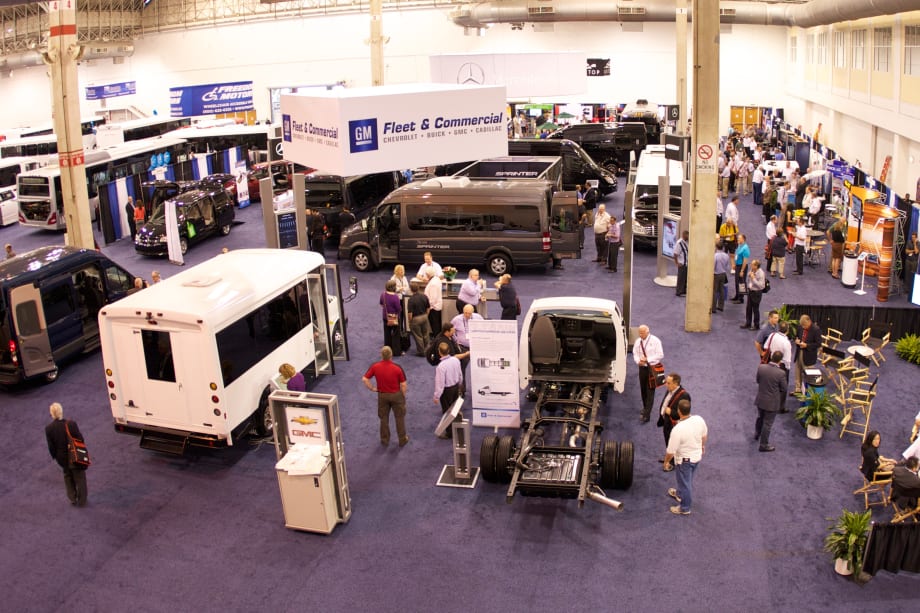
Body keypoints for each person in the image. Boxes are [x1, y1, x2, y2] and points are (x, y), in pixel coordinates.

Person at [664, 400, 707, 515]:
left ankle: (685, 508)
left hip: (685, 461)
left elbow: (671, 451)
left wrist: (666, 462)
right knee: (686, 480)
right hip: (697, 457)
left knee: (685, 483)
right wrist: (702, 446)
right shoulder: (699, 419)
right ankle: (679, 494)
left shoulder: (678, 429)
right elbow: (704, 435)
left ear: (678, 411)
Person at [363, 346, 409, 447]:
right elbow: (404, 384)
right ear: (391, 355)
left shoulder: (375, 366)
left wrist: (372, 388)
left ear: (381, 355)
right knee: (399, 417)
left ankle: (384, 439)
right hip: (396, 395)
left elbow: (365, 379)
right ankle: (402, 439)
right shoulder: (397, 368)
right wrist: (402, 396)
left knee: (383, 418)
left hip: (382, 395)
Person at [44, 402, 88, 507]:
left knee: (67, 476)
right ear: (61, 412)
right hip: (74, 456)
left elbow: (51, 447)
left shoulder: (49, 429)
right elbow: (80, 439)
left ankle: (72, 498)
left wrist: (56, 457)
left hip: (61, 458)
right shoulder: (71, 424)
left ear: (52, 414)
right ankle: (82, 501)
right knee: (80, 478)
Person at [754, 351, 788, 452]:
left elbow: (758, 380)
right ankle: (763, 445)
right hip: (772, 403)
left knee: (760, 417)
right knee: (767, 423)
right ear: (780, 361)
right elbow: (784, 389)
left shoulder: (761, 367)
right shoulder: (781, 373)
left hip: (760, 399)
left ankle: (757, 434)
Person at [656, 373, 691, 471]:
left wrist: (671, 412)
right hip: (667, 423)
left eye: (668, 383)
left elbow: (683, 413)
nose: (666, 384)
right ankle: (669, 458)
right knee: (668, 441)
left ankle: (672, 463)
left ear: (675, 383)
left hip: (674, 425)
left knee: (673, 444)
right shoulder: (670, 390)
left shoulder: (684, 395)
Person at [634, 324, 664, 423]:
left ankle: (647, 415)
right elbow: (635, 353)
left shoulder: (655, 341)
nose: (640, 334)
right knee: (643, 390)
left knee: (650, 391)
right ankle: (645, 408)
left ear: (647, 331)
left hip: (652, 369)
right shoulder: (638, 341)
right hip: (642, 369)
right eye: (639, 333)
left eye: (642, 333)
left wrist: (647, 360)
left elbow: (660, 355)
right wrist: (638, 361)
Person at [433, 341, 463, 439]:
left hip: (446, 391)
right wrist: (460, 385)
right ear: (449, 350)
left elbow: (440, 383)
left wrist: (437, 396)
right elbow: (460, 375)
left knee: (447, 411)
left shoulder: (441, 366)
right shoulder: (456, 360)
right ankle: (458, 427)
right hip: (456, 387)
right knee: (455, 408)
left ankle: (450, 433)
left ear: (439, 352)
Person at [451, 304, 482, 389]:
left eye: (469, 313)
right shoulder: (456, 319)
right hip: (463, 347)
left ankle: (479, 389)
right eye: (465, 313)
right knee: (462, 368)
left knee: (480, 367)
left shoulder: (478, 317)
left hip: (477, 346)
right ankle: (462, 389)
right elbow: (451, 331)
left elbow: (484, 328)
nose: (467, 315)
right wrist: (455, 340)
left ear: (473, 312)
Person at [794, 315, 822, 394]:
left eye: (805, 326)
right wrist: (796, 340)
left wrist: (807, 345)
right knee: (797, 371)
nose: (803, 327)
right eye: (802, 326)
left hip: (809, 355)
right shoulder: (800, 327)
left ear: (809, 322)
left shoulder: (816, 330)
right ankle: (798, 389)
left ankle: (807, 391)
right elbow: (796, 336)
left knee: (808, 373)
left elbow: (818, 344)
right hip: (799, 352)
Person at [407, 280, 431, 357]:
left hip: (416, 319)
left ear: (411, 289)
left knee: (418, 336)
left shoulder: (411, 300)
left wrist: (410, 321)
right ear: (418, 288)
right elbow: (428, 308)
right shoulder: (424, 296)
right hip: (424, 317)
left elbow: (410, 314)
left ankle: (421, 352)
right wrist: (426, 315)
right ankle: (427, 349)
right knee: (426, 334)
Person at [379, 279, 403, 356]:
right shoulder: (395, 297)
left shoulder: (383, 294)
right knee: (396, 335)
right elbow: (399, 309)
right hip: (394, 318)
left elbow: (381, 304)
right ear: (394, 287)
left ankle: (387, 351)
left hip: (385, 317)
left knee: (387, 335)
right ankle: (396, 352)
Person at [742, 259, 765, 330]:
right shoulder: (753, 270)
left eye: (752, 264)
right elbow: (750, 275)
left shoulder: (761, 273)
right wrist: (750, 275)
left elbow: (761, 286)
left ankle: (756, 325)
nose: (751, 265)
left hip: (757, 293)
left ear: (756, 266)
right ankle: (748, 323)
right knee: (748, 308)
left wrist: (753, 278)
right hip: (751, 291)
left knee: (755, 309)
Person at [423, 267, 443, 336]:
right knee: (436, 324)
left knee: (435, 325)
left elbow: (432, 299)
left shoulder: (433, 284)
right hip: (436, 306)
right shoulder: (436, 279)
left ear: (428, 275)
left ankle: (436, 340)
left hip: (433, 308)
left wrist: (428, 307)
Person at [731, 233, 750, 304]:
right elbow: (737, 255)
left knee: (741, 283)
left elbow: (745, 261)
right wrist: (735, 264)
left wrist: (742, 270)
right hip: (738, 266)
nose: (738, 239)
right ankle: (737, 295)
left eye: (739, 238)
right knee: (737, 282)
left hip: (742, 267)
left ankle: (741, 298)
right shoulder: (739, 245)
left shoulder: (745, 248)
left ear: (743, 239)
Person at [712, 242, 731, 313]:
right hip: (723, 274)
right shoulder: (726, 255)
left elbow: (713, 266)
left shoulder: (715, 256)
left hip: (716, 274)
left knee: (714, 291)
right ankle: (721, 306)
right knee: (722, 290)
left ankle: (713, 308)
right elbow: (727, 265)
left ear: (716, 247)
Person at [674, 230, 689, 296]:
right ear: (684, 235)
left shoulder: (686, 242)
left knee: (685, 278)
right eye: (687, 235)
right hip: (682, 264)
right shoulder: (679, 243)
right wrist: (677, 263)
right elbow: (675, 254)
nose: (688, 237)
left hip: (686, 264)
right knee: (681, 279)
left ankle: (683, 291)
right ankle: (678, 292)